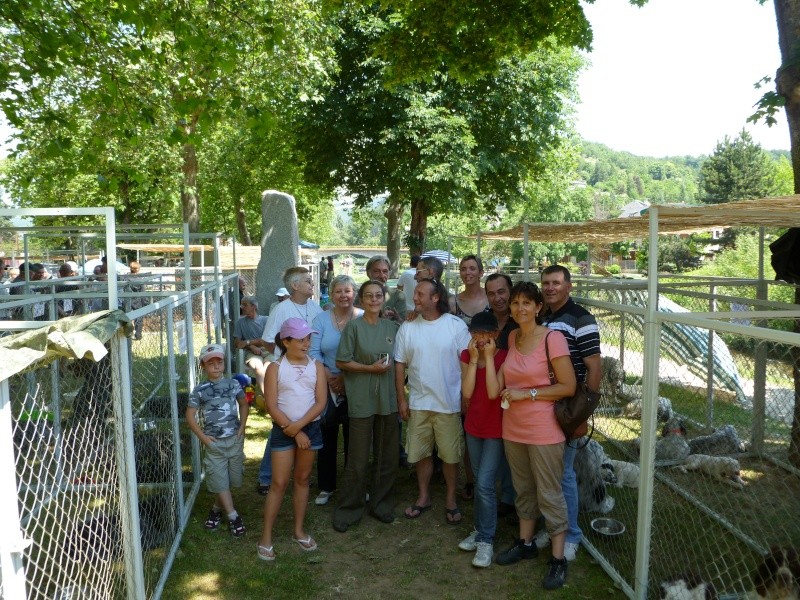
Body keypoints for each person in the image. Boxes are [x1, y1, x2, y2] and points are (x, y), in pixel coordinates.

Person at [484, 281, 576, 590]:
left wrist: (528, 393)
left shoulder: (553, 339)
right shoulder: (511, 337)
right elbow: (496, 388)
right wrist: (486, 359)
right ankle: (525, 543)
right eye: (515, 303)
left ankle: (558, 558)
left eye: (527, 303)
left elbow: (568, 386)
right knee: (523, 488)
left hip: (544, 430)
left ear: (538, 307)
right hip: (513, 429)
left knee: (549, 493)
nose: (520, 308)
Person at [536, 265, 602, 563]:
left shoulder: (581, 319)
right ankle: (553, 527)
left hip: (569, 409)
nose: (550, 288)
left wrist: (581, 415)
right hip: (545, 404)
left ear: (569, 287)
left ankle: (572, 533)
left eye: (556, 283)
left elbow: (594, 367)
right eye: (546, 283)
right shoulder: (544, 317)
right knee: (548, 474)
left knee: (563, 475)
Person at [394, 278, 470, 524]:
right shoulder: (407, 327)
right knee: (422, 453)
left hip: (448, 404)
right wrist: (401, 400)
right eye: (415, 293)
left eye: (419, 294)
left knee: (450, 456)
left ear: (435, 298)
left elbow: (467, 362)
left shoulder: (456, 326)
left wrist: (465, 398)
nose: (414, 298)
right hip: (418, 403)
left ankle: (450, 499)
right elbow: (399, 365)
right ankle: (424, 496)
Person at [257, 318, 327, 561]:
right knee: (278, 482)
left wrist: (302, 428)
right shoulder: (275, 367)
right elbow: (270, 405)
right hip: (284, 430)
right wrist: (294, 430)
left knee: (303, 478)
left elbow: (320, 402)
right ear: (286, 341)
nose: (306, 343)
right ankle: (266, 536)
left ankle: (299, 530)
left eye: (308, 338)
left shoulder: (317, 366)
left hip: (311, 429)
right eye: (300, 339)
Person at [333, 280, 399, 532]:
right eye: (368, 296)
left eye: (378, 295)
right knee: (358, 458)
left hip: (388, 399)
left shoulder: (392, 327)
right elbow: (342, 361)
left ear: (384, 298)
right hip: (362, 399)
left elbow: (400, 361)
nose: (373, 300)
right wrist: (369, 368)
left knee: (387, 456)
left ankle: (381, 505)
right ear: (361, 300)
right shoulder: (354, 328)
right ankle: (349, 509)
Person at [256, 267, 322, 495]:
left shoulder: (315, 307)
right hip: (285, 372)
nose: (312, 283)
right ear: (295, 286)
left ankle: (302, 477)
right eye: (307, 281)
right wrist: (283, 360)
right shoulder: (281, 309)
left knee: (307, 419)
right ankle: (267, 477)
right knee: (282, 423)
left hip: (309, 371)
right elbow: (267, 341)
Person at [457, 311, 508, 568]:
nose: (480, 339)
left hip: (496, 429)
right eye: (476, 334)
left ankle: (486, 540)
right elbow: (466, 392)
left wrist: (487, 358)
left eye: (486, 334)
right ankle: (479, 530)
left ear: (496, 335)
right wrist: (476, 357)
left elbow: (491, 393)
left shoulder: (503, 357)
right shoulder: (467, 355)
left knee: (486, 483)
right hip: (473, 426)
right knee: (479, 481)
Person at [185, 344, 249, 538]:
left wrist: (242, 427)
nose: (216, 366)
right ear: (203, 366)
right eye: (210, 363)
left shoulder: (234, 384)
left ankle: (215, 509)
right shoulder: (200, 390)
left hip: (234, 439)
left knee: (232, 479)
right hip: (214, 443)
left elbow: (244, 404)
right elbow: (190, 416)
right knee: (219, 477)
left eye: (219, 361)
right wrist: (204, 438)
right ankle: (233, 516)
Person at [309, 275, 362, 506]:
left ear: (354, 294)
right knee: (327, 435)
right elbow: (313, 351)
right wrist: (330, 377)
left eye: (347, 291)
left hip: (357, 381)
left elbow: (366, 352)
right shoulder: (320, 320)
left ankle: (355, 486)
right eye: (338, 291)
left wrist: (345, 376)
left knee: (355, 438)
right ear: (331, 295)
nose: (343, 296)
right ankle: (327, 486)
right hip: (326, 382)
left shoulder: (362, 317)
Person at [233, 296, 269, 393]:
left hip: (268, 351)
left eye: (245, 305)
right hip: (251, 352)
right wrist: (251, 346)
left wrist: (248, 342)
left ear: (253, 307)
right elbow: (237, 343)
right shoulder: (240, 322)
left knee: (268, 368)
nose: (242, 307)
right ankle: (265, 396)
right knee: (258, 368)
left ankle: (267, 397)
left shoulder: (265, 320)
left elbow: (265, 340)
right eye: (241, 304)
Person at [357, 255, 406, 323]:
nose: (381, 275)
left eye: (385, 271)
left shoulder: (398, 296)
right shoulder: (358, 295)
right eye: (376, 271)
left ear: (389, 273)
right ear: (368, 273)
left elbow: (403, 324)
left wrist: (397, 318)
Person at [451, 254, 489, 325]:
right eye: (463, 269)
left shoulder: (490, 297)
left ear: (481, 273)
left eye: (472, 268)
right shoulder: (453, 302)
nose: (467, 272)